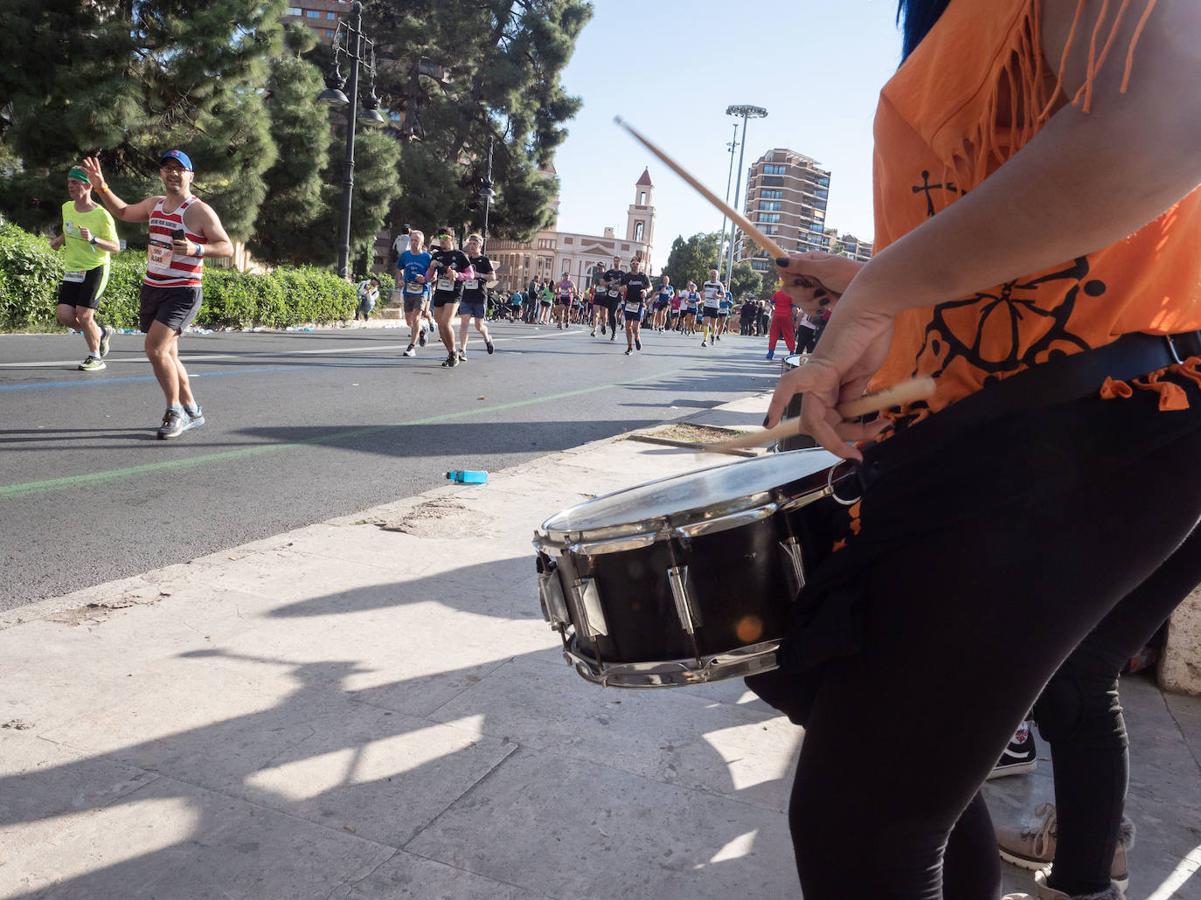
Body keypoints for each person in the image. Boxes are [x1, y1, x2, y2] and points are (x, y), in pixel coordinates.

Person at [756, 2, 1201, 897]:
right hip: (1020, 425)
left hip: (1081, 425)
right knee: (890, 785)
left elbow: (1168, 119)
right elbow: (1015, 245)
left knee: (866, 820)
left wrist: (881, 286)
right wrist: (884, 300)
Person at [81, 150, 233, 439]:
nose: (173, 173)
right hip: (153, 287)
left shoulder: (198, 210)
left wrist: (195, 248)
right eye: (167, 168)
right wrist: (101, 187)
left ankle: (174, 412)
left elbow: (225, 246)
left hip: (182, 291)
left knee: (155, 350)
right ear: (161, 173)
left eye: (180, 168)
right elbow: (124, 212)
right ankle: (193, 410)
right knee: (170, 355)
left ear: (191, 175)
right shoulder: (156, 205)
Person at [50, 166, 120, 372]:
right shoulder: (66, 207)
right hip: (73, 268)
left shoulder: (102, 215)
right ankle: (100, 332)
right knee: (64, 315)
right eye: (69, 181)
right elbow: (69, 228)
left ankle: (96, 356)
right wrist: (59, 240)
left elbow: (115, 247)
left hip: (95, 267)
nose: (70, 185)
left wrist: (93, 239)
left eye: (75, 182)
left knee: (84, 314)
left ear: (88, 185)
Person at [426, 230, 474, 367]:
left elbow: (470, 275)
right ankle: (451, 353)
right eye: (439, 237)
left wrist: (457, 275)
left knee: (446, 322)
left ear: (451, 238)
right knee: (440, 324)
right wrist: (431, 268)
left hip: (454, 292)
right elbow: (429, 277)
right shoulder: (437, 255)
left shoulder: (459, 255)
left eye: (445, 237)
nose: (442, 240)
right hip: (440, 291)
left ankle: (453, 352)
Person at [457, 233, 496, 359]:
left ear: (480, 246)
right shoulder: (465, 259)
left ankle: (487, 338)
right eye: (470, 244)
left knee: (479, 326)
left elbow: (493, 277)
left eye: (475, 244)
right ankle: (462, 350)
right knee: (464, 323)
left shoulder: (484, 260)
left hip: (480, 296)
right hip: (467, 295)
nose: (472, 246)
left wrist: (480, 275)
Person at [398, 229, 432, 357]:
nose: (413, 242)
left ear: (421, 242)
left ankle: (411, 347)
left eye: (416, 240)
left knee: (416, 317)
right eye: (411, 240)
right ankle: (422, 330)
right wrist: (400, 279)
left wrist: (425, 279)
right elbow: (400, 270)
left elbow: (434, 275)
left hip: (422, 290)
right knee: (409, 321)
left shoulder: (427, 257)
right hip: (408, 290)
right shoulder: (405, 255)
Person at [620, 257, 652, 355]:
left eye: (637, 263)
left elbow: (650, 287)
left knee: (635, 327)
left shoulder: (643, 276)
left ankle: (637, 338)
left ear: (639, 265)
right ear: (630, 265)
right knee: (627, 326)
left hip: (639, 304)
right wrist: (623, 288)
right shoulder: (626, 276)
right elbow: (620, 288)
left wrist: (645, 291)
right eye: (633, 263)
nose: (635, 265)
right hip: (628, 303)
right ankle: (629, 347)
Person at [765, 286, 797, 361]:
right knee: (789, 334)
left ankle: (771, 352)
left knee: (774, 334)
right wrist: (794, 318)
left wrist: (773, 309)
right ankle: (792, 352)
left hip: (777, 315)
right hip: (787, 316)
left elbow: (770, 304)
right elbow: (794, 308)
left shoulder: (777, 294)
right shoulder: (791, 296)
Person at [597, 257, 624, 340]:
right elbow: (602, 282)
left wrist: (619, 287)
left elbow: (626, 286)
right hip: (608, 295)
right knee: (604, 311)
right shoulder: (609, 272)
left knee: (612, 313)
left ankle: (614, 333)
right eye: (615, 261)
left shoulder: (623, 274)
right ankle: (603, 325)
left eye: (618, 261)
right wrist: (610, 283)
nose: (616, 262)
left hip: (617, 296)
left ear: (620, 262)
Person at [699, 269, 725, 347]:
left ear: (717, 276)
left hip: (715, 306)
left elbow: (723, 295)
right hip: (707, 305)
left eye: (715, 275)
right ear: (710, 275)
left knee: (714, 324)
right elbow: (703, 292)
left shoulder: (719, 284)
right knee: (706, 322)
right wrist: (702, 294)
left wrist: (718, 296)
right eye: (712, 274)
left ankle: (713, 336)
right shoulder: (706, 283)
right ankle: (705, 340)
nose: (713, 276)